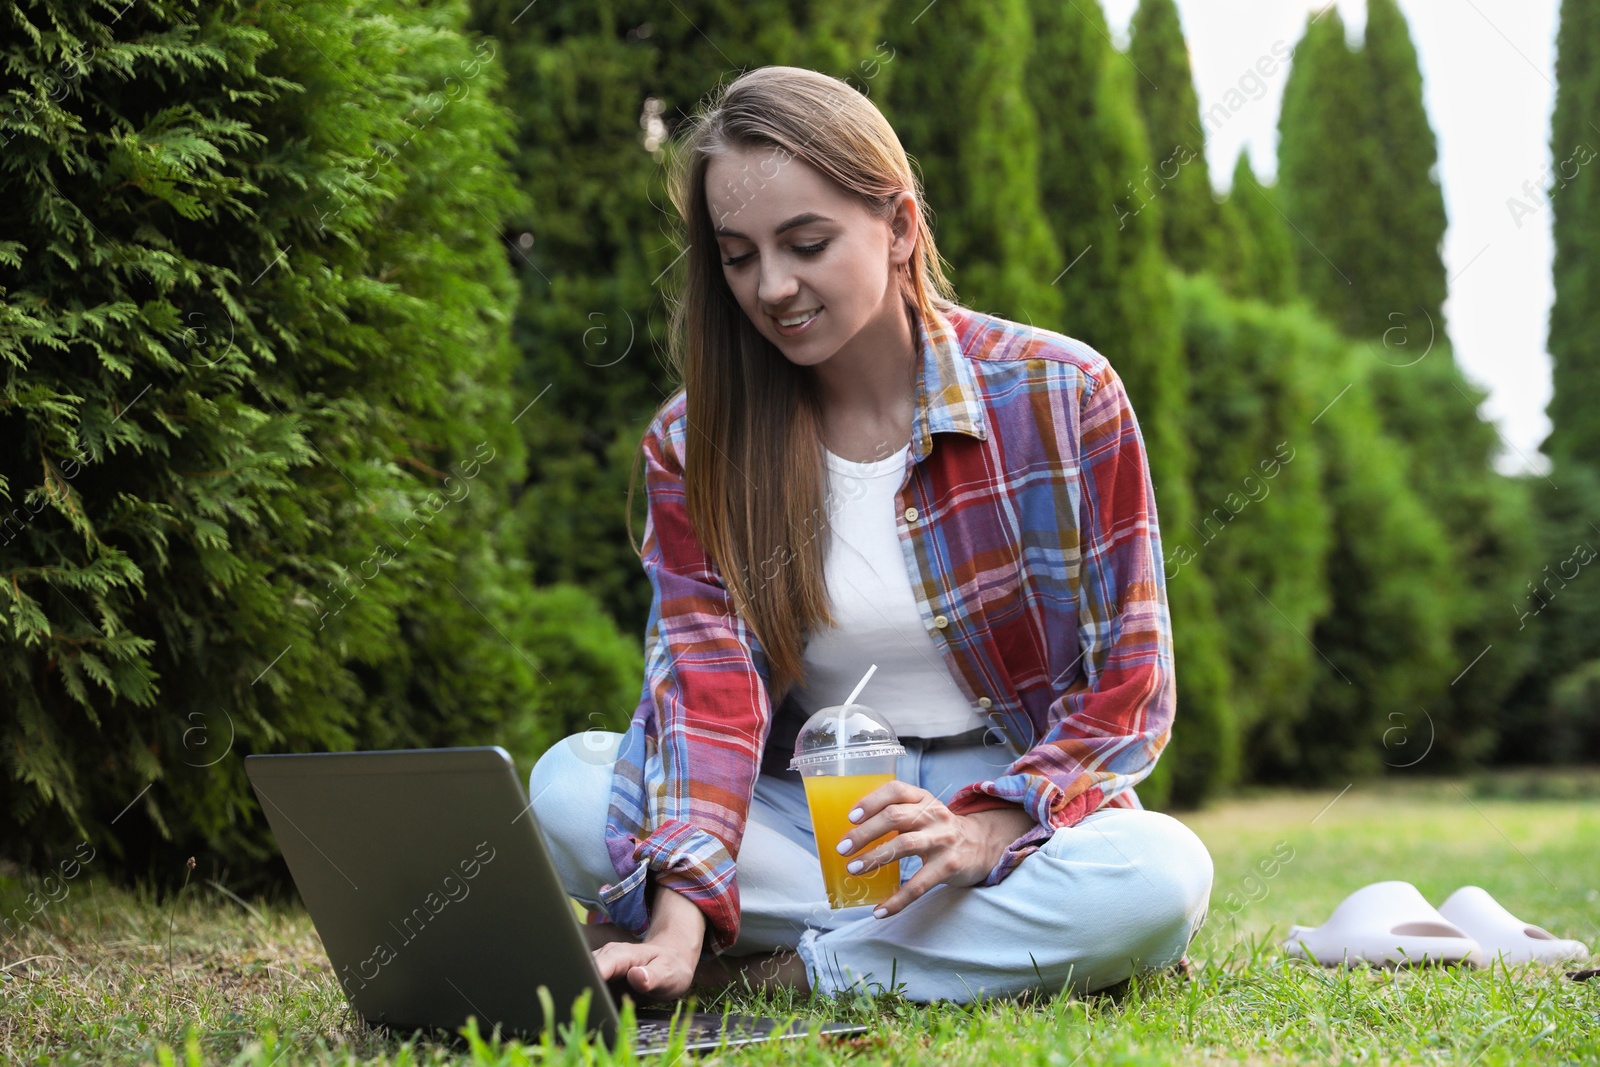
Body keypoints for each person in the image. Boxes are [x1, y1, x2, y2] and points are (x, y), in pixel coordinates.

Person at [528, 64, 1213, 1005]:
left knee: (1159, 873)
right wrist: (684, 904)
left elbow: (1129, 688)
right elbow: (704, 693)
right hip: (810, 808)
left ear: (898, 227)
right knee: (569, 783)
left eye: (806, 243)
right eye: (737, 256)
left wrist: (986, 828)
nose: (772, 287)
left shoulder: (1061, 395)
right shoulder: (692, 443)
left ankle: (791, 971)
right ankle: (947, 950)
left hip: (1004, 798)